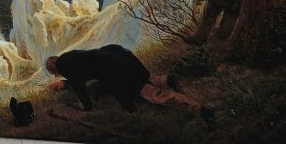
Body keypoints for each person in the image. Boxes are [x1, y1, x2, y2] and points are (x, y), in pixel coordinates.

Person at [45, 45, 210, 125]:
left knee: (153, 95)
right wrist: (67, 83)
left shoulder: (64, 66)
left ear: (54, 67)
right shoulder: (70, 56)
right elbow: (83, 72)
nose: (55, 74)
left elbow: (79, 87)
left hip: (114, 68)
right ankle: (168, 80)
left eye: (52, 71)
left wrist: (87, 108)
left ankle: (199, 108)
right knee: (144, 78)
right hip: (118, 54)